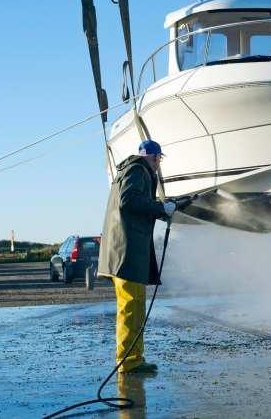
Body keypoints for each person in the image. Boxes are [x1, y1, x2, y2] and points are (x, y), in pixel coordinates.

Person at [98, 139, 177, 374]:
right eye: (159, 160)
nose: (158, 165)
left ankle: (133, 358)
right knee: (132, 308)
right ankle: (129, 362)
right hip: (127, 253)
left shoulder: (131, 170)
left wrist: (162, 209)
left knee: (134, 307)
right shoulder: (138, 170)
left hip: (125, 252)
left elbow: (135, 204)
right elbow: (129, 201)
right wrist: (160, 208)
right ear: (154, 157)